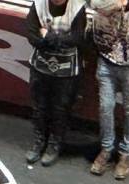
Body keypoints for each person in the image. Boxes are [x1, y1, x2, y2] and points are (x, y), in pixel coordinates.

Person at [88, 0, 129, 180]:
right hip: (106, 64)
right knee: (105, 107)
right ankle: (107, 149)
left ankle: (125, 154)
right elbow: (93, 36)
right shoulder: (100, 13)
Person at [24, 0, 87, 166]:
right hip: (41, 65)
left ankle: (54, 144)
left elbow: (77, 39)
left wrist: (48, 36)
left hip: (67, 70)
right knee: (39, 107)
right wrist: (53, 42)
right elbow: (31, 33)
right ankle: (39, 141)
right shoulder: (38, 5)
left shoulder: (77, 8)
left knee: (60, 109)